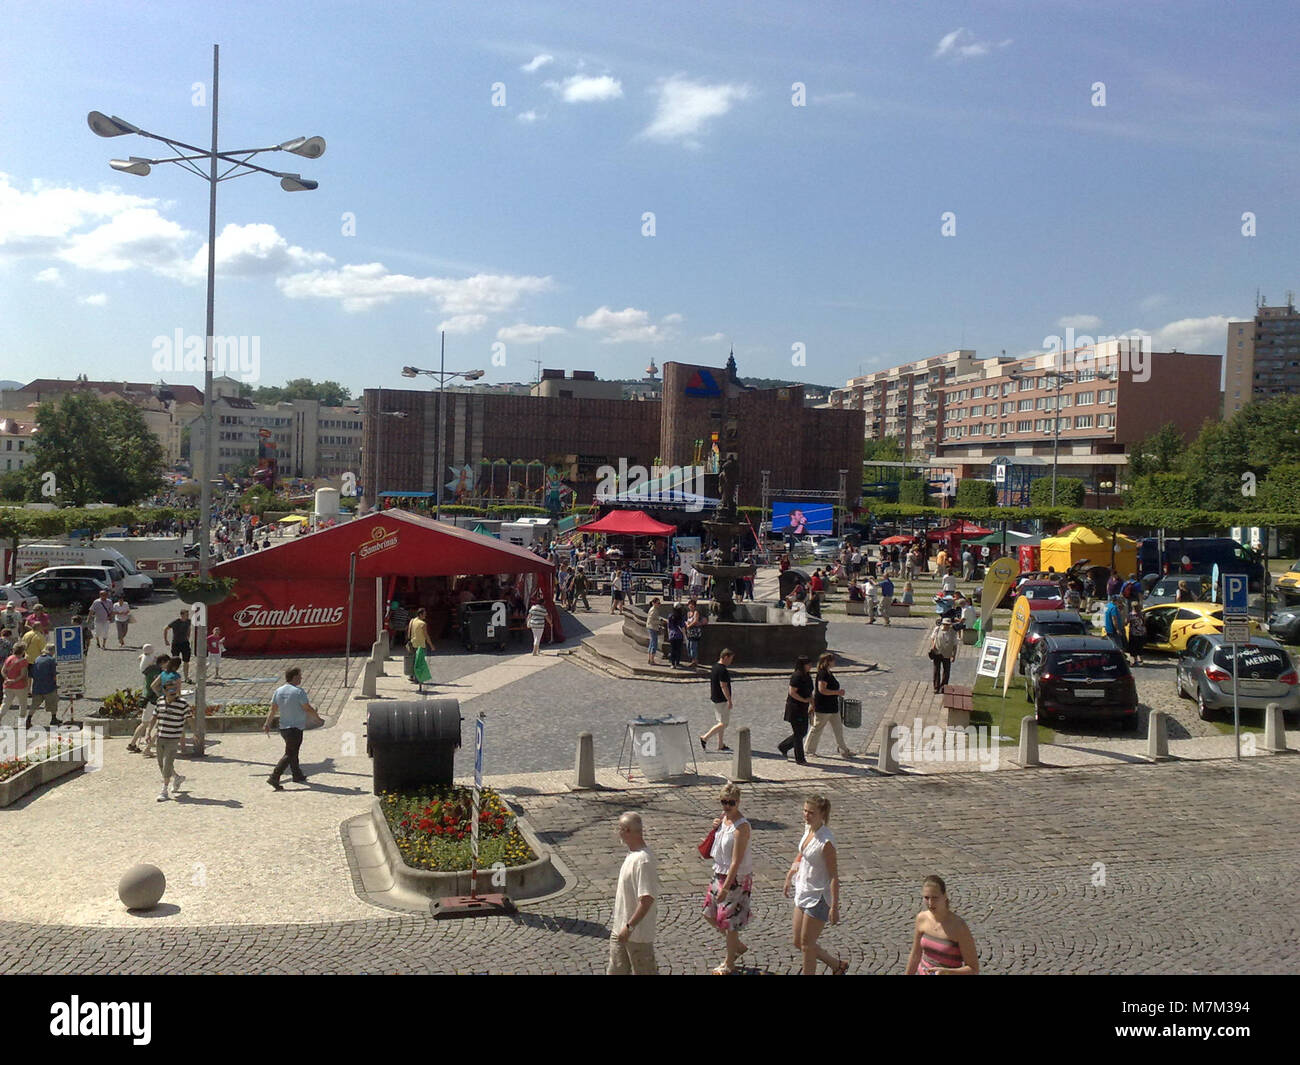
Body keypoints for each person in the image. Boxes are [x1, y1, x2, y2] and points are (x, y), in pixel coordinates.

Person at [785, 794, 847, 975]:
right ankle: (837, 965)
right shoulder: (809, 828)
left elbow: (834, 876)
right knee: (798, 941)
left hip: (819, 896)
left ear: (822, 814)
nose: (806, 815)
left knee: (807, 944)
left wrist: (834, 907)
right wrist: (791, 872)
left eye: (811, 812)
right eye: (805, 811)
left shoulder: (826, 842)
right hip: (803, 890)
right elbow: (803, 852)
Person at [703, 782, 753, 975]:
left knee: (729, 922)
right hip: (719, 873)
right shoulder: (724, 819)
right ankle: (737, 946)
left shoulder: (742, 827)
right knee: (709, 914)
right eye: (724, 802)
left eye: (731, 803)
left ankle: (729, 963)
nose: (727, 806)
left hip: (736, 879)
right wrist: (715, 827)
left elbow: (736, 861)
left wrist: (726, 887)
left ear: (738, 802)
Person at [608, 812, 660, 975]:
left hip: (637, 936)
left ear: (628, 831)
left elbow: (646, 900)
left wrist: (629, 927)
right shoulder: (632, 856)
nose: (618, 832)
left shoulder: (643, 861)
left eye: (620, 829)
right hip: (620, 931)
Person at [905, 875, 980, 974]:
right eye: (926, 898)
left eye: (935, 898)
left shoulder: (958, 927)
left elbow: (973, 969)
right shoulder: (921, 919)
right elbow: (915, 955)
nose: (930, 903)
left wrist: (947, 972)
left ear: (945, 896)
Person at [263, 665, 320, 790]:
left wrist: (267, 723)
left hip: (283, 727)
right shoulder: (299, 692)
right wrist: (317, 717)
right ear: (294, 677)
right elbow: (307, 708)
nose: (301, 678)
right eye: (299, 676)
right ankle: (275, 776)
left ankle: (297, 774)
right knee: (290, 753)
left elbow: (273, 709)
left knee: (293, 750)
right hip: (295, 727)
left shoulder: (279, 691)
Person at [150, 656, 190, 802]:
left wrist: (161, 695)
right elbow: (178, 691)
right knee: (179, 727)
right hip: (173, 707)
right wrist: (174, 700)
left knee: (165, 761)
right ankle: (183, 748)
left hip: (165, 704)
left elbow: (153, 686)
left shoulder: (163, 674)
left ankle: (167, 785)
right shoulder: (177, 676)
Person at [806, 652, 852, 759]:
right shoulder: (822, 674)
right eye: (833, 660)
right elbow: (822, 690)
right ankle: (809, 750)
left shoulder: (828, 673)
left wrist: (837, 693)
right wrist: (837, 692)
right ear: (828, 662)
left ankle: (843, 750)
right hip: (823, 706)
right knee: (817, 728)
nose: (834, 662)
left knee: (838, 728)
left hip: (833, 706)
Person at [128, 648, 167, 755]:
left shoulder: (148, 670)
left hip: (147, 699)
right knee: (152, 723)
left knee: (145, 723)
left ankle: (133, 743)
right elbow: (155, 686)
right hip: (153, 700)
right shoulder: (157, 672)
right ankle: (148, 747)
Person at [778, 655, 814, 765]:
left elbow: (810, 692)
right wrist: (803, 700)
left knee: (802, 732)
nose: (810, 666)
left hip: (804, 708)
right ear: (803, 665)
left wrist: (812, 704)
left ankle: (783, 746)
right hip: (795, 708)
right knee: (798, 733)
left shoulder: (807, 676)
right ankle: (800, 758)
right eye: (808, 664)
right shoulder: (796, 676)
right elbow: (792, 692)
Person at [700, 648, 735, 752]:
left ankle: (720, 744)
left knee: (720, 722)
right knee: (724, 723)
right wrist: (729, 700)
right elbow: (724, 686)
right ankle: (705, 737)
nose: (731, 661)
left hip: (715, 698)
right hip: (722, 699)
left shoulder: (714, 667)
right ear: (725, 657)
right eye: (730, 659)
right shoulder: (723, 670)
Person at [25, 644, 59, 728]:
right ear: (52, 651)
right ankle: (53, 719)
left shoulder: (37, 659)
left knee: (34, 704)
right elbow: (54, 674)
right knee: (53, 702)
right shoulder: (51, 660)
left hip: (37, 686)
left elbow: (32, 673)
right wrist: (57, 684)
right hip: (48, 686)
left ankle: (28, 719)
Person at [1, 642, 30, 726]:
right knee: (23, 704)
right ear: (23, 651)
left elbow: (3, 671)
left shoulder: (9, 658)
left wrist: (7, 679)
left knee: (5, 703)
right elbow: (23, 674)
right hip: (20, 686)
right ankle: (21, 723)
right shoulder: (23, 661)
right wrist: (13, 680)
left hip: (7, 685)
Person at [163, 609, 193, 684]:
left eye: (188, 615)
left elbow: (189, 628)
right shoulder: (176, 622)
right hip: (176, 643)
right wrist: (166, 640)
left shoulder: (188, 621)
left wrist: (188, 636)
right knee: (174, 661)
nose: (187, 616)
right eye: (186, 615)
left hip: (185, 643)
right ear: (182, 615)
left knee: (186, 660)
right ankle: (172, 676)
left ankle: (186, 677)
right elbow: (165, 628)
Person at [928, 618, 959, 693]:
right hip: (937, 652)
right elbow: (932, 638)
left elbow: (955, 645)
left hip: (947, 653)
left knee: (946, 671)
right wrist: (933, 646)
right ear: (942, 624)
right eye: (945, 624)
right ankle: (936, 687)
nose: (946, 626)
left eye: (948, 625)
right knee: (936, 670)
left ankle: (943, 687)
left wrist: (953, 655)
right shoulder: (937, 629)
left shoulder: (953, 632)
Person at [406, 607, 433, 682]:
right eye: (424, 614)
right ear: (420, 614)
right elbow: (426, 635)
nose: (425, 615)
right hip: (421, 645)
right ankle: (417, 678)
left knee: (414, 660)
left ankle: (411, 675)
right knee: (420, 662)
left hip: (412, 643)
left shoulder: (412, 621)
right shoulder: (423, 624)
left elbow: (408, 632)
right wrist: (431, 645)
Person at [644, 597, 665, 666]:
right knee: (654, 643)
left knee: (651, 643)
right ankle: (652, 660)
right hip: (652, 628)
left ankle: (650, 659)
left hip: (651, 627)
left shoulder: (654, 609)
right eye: (658, 603)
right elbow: (651, 620)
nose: (659, 604)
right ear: (654, 603)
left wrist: (659, 619)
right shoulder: (653, 610)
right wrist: (660, 622)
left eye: (660, 603)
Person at [685, 599, 706, 667]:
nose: (690, 606)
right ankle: (693, 659)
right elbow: (688, 621)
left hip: (695, 632)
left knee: (693, 647)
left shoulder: (696, 612)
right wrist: (687, 624)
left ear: (694, 606)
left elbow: (695, 621)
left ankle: (695, 661)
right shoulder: (688, 613)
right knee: (689, 646)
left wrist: (688, 625)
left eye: (692, 605)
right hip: (689, 632)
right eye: (689, 605)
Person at [1127, 600, 1147, 666]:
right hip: (1140, 633)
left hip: (1133, 633)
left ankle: (1133, 661)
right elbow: (1144, 622)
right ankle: (1139, 660)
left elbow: (1126, 622)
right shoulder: (1142, 614)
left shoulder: (1130, 615)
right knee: (1139, 647)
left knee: (1133, 648)